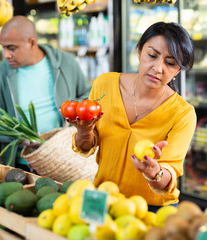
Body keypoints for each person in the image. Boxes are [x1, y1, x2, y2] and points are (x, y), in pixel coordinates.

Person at [68, 22, 196, 210]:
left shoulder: (183, 114)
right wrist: (84, 131)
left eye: (170, 63)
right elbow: (87, 146)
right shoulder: (105, 85)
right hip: (103, 199)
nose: (158, 68)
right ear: (139, 51)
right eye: (152, 55)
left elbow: (169, 173)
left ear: (178, 70)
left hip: (151, 209)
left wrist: (154, 172)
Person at [0, 16, 91, 170]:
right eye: (4, 48)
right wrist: (20, 136)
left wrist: (73, 113)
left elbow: (88, 95)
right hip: (20, 166)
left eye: (12, 48)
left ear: (31, 42)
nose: (6, 54)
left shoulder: (66, 62)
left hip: (64, 160)